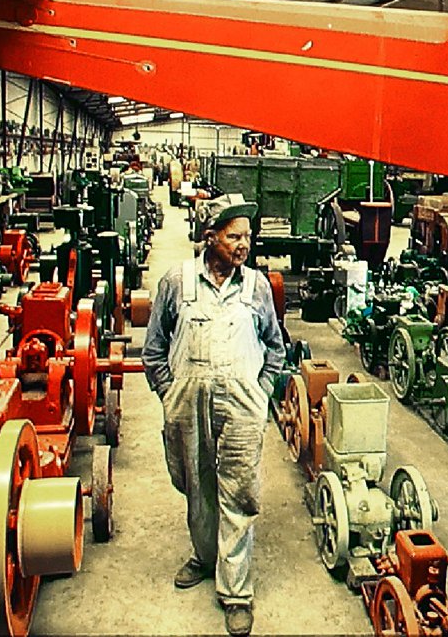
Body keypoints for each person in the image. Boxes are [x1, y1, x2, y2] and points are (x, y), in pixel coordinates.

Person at [142, 194, 286, 637]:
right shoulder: (177, 282)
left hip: (241, 403)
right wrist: (170, 394)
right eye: (234, 236)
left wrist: (259, 394)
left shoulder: (256, 286)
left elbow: (275, 349)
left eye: (248, 236)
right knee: (195, 482)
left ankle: (236, 592)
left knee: (239, 492)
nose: (244, 244)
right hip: (187, 400)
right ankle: (205, 557)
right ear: (210, 238)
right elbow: (154, 349)